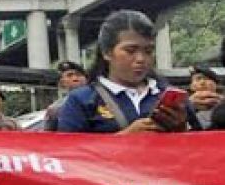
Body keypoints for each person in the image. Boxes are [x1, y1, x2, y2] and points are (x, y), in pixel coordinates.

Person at [57, 10, 193, 133]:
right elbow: (68, 154)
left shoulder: (171, 97)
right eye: (130, 51)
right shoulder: (82, 100)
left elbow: (200, 149)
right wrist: (124, 139)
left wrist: (181, 128)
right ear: (107, 52)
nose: (141, 59)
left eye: (148, 51)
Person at [43, 60, 88, 131]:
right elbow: (49, 137)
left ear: (86, 79)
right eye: (70, 75)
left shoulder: (99, 99)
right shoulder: (55, 109)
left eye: (78, 75)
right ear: (62, 82)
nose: (75, 78)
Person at [188, 63, 221, 129]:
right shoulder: (183, 107)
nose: (202, 82)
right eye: (198, 79)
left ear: (215, 84)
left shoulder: (222, 103)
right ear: (191, 86)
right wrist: (188, 107)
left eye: (207, 79)